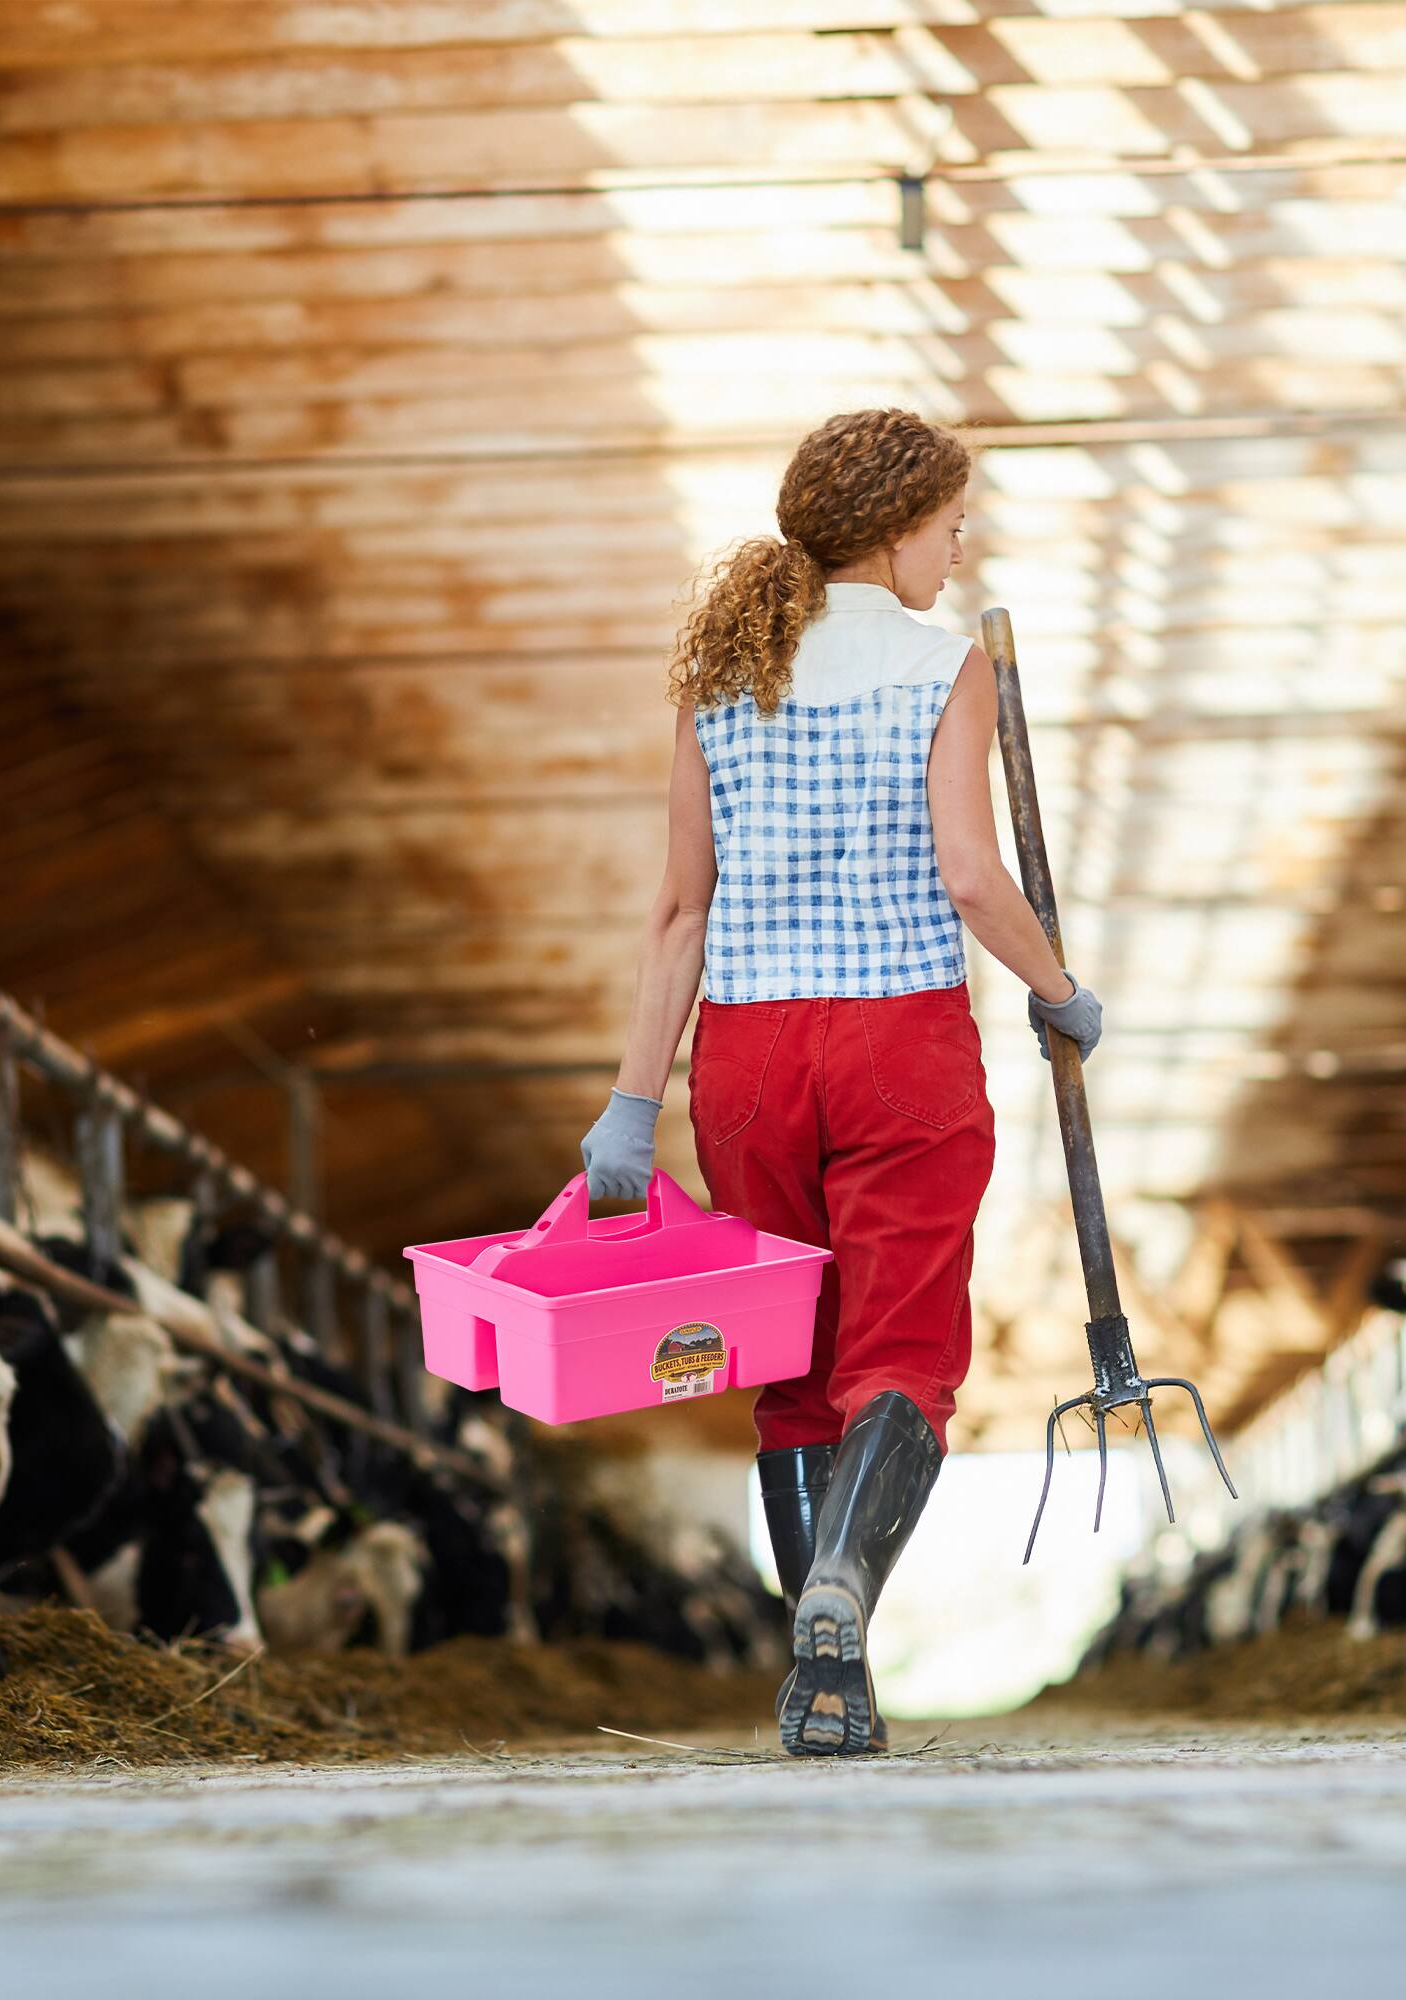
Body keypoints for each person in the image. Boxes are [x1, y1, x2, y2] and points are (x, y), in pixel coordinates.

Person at [579, 407, 1101, 1757]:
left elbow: (677, 914)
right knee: (904, 1361)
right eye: (948, 522)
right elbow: (975, 877)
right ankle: (840, 1596)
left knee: (792, 1369)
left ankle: (829, 1682)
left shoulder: (718, 676)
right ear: (892, 528)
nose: (958, 543)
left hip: (748, 1060)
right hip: (899, 1046)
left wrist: (634, 1104)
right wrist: (1057, 990)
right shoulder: (942, 667)